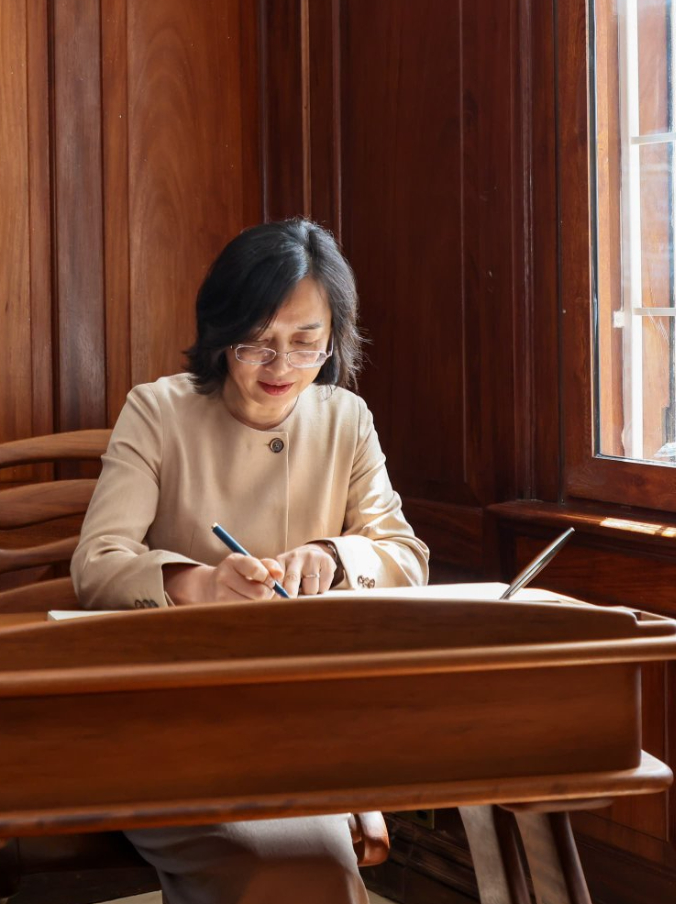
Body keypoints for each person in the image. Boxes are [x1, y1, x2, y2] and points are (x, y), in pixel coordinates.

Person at [72, 217, 428, 904]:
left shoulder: (345, 419)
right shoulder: (158, 411)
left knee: (309, 872)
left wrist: (333, 554)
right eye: (257, 345)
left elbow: (405, 556)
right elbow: (96, 564)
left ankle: (346, 793)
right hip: (173, 721)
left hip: (305, 720)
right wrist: (199, 583)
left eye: (305, 345)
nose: (282, 369)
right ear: (218, 334)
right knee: (298, 874)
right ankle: (347, 800)